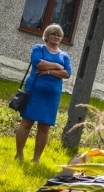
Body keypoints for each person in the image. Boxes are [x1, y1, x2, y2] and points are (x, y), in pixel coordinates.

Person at [15, 24, 72, 163]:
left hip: (52, 96)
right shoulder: (38, 49)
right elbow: (38, 63)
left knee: (44, 127)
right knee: (26, 122)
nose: (56, 37)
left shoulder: (64, 55)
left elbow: (67, 73)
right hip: (34, 92)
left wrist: (48, 71)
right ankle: (19, 154)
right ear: (47, 36)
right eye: (53, 34)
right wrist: (58, 66)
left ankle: (36, 159)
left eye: (59, 35)